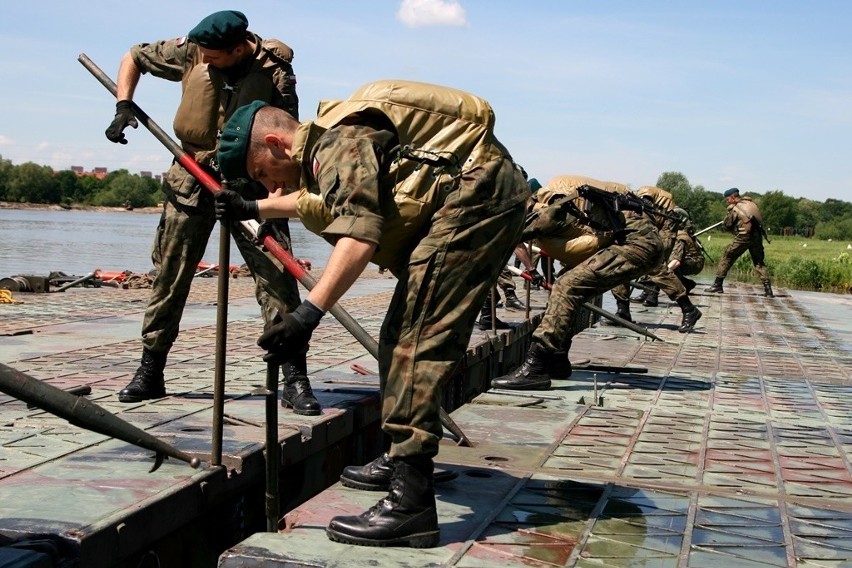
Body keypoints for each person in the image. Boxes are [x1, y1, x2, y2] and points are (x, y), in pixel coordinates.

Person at [213, 81, 529, 547]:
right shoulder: (333, 142)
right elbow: (318, 203)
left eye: (263, 173)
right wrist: (251, 205)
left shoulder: (337, 143)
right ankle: (401, 458)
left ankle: (411, 505)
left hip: (475, 200)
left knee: (411, 340)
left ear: (278, 143)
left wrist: (307, 315)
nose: (270, 185)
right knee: (399, 335)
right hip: (485, 191)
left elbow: (359, 234)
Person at [103, 10, 321, 415]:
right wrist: (124, 104)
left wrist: (273, 195)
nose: (206, 61)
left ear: (239, 49)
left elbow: (287, 139)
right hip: (191, 179)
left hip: (251, 189)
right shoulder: (191, 52)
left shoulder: (275, 70)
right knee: (169, 279)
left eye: (215, 57)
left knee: (279, 282)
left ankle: (294, 378)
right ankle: (151, 370)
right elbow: (133, 56)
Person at [491, 178, 702, 392]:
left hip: (635, 245)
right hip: (634, 241)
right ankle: (558, 360)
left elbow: (533, 226)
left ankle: (536, 366)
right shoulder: (563, 191)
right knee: (568, 287)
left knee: (566, 286)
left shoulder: (553, 200)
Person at [705, 187, 773, 297]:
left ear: (732, 198)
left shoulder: (736, 208)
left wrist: (727, 218)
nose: (727, 201)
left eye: (727, 199)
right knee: (759, 262)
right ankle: (768, 290)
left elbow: (728, 225)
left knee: (727, 256)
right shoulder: (751, 204)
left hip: (744, 237)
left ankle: (717, 285)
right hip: (757, 237)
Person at [667, 207, 705, 292]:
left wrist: (661, 274)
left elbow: (676, 261)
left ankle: (683, 286)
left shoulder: (680, 236)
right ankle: (687, 284)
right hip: (693, 260)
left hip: (694, 263)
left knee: (669, 265)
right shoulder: (683, 232)